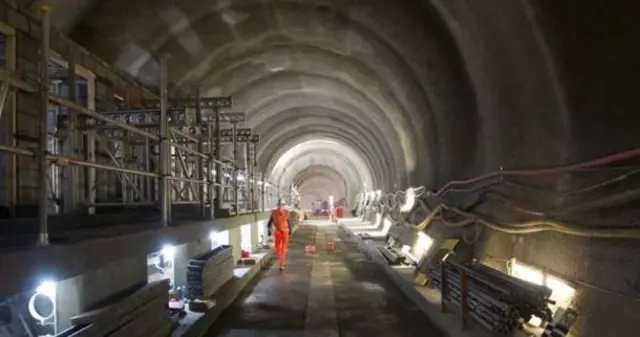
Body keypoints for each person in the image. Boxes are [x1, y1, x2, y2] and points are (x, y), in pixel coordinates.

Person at [268, 199, 292, 271]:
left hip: (285, 232)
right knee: (277, 248)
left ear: (284, 206)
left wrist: (290, 230)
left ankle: (282, 264)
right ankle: (280, 259)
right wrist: (268, 230)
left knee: (283, 249)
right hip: (277, 232)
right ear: (277, 205)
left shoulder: (286, 213)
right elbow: (270, 222)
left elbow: (289, 222)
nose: (280, 206)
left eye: (282, 205)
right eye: (279, 204)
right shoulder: (274, 213)